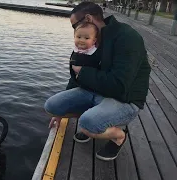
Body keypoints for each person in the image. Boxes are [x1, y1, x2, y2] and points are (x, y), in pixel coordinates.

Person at [44, 2, 151, 161]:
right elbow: (77, 76)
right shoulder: (92, 39)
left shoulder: (128, 37)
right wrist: (60, 112)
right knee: (52, 106)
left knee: (87, 123)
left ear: (88, 18)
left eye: (74, 25)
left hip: (125, 99)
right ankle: (94, 120)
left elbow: (119, 86)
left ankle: (119, 136)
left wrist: (84, 72)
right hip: (96, 91)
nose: (75, 32)